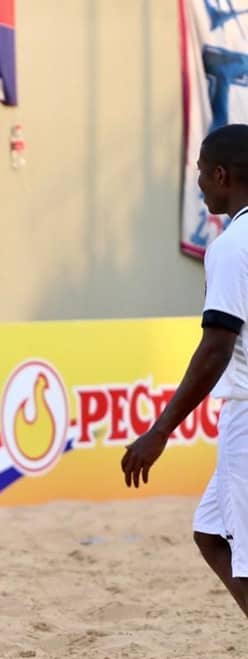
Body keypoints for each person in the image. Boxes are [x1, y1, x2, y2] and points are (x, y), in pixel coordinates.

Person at [123, 123, 248, 616]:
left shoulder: (234, 245)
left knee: (243, 558)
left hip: (246, 414)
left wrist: (160, 429)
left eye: (199, 171)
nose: (197, 182)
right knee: (211, 531)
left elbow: (217, 346)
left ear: (220, 174)